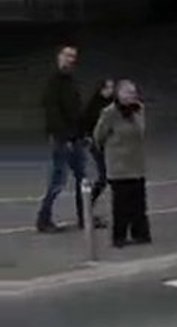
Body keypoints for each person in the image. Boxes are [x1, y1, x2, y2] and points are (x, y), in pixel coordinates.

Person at [36, 45, 86, 233]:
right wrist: (63, 136)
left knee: (82, 179)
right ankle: (44, 218)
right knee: (59, 180)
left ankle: (85, 216)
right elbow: (53, 112)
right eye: (67, 55)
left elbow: (76, 109)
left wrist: (81, 134)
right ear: (59, 57)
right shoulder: (54, 82)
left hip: (74, 137)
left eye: (73, 56)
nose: (70, 59)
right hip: (62, 139)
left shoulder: (70, 81)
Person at [94, 80, 150, 248]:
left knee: (139, 203)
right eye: (127, 93)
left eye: (133, 93)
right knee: (121, 204)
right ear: (118, 94)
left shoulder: (139, 110)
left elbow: (142, 131)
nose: (131, 96)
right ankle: (119, 237)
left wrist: (136, 113)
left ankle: (140, 233)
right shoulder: (109, 113)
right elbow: (99, 135)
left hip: (136, 164)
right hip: (118, 165)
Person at [82, 79, 115, 227]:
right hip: (98, 144)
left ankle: (89, 207)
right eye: (108, 87)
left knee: (107, 177)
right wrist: (89, 137)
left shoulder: (112, 104)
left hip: (110, 145)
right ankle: (88, 206)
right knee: (104, 177)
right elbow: (87, 122)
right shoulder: (95, 106)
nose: (111, 90)